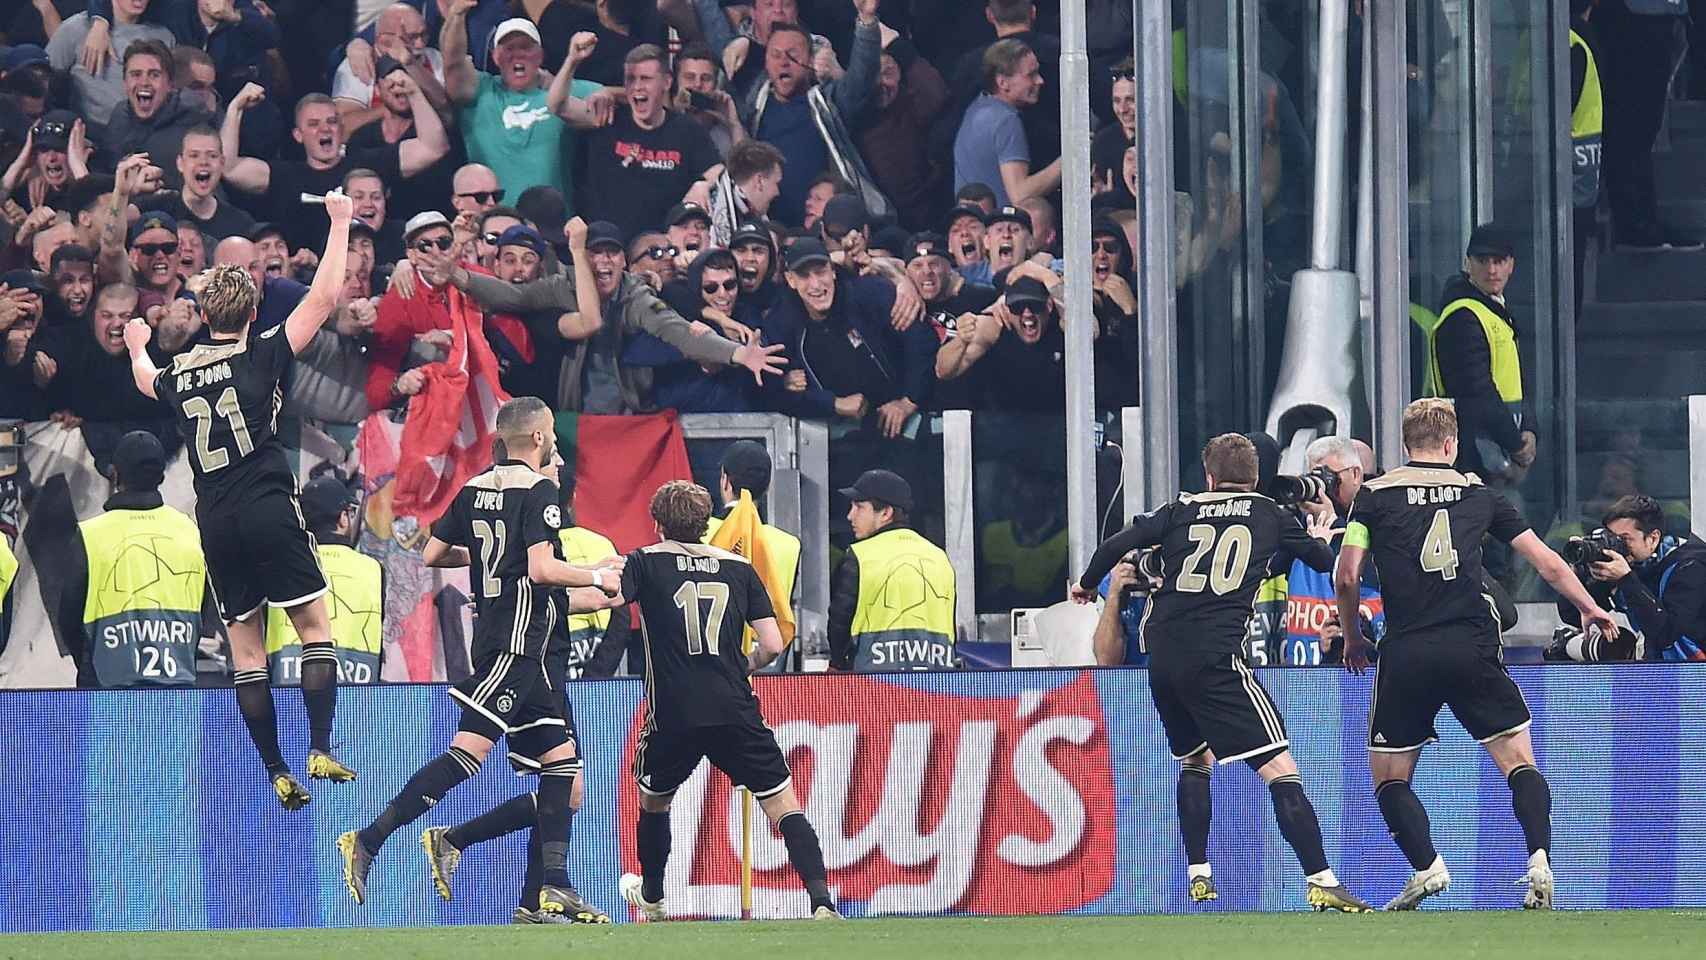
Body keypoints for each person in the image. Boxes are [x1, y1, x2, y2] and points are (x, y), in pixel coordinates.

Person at [338, 396, 620, 920]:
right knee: (466, 757)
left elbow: (431, 554)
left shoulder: (475, 488)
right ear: (537, 438)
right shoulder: (540, 490)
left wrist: (496, 553)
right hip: (515, 645)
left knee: (564, 770)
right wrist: (598, 576)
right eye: (552, 435)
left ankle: (549, 888)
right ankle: (371, 839)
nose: (555, 443)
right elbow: (541, 569)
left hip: (511, 643)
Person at [1334, 398, 1620, 911]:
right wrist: (1591, 607)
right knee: (1518, 762)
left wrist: (1354, 637)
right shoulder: (1479, 493)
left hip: (1407, 651)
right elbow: (1548, 563)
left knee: (1390, 778)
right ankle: (1539, 859)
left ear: (1406, 445)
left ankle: (1427, 867)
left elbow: (1348, 573)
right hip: (1472, 646)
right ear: (1451, 445)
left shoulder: (1373, 496)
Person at [122, 189, 358, 810]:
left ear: (202, 313)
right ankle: (320, 745)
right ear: (253, 313)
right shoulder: (262, 352)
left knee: (245, 648)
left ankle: (276, 767)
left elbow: (147, 378)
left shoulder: (180, 373)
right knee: (313, 630)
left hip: (216, 520)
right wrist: (339, 222)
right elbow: (326, 298)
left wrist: (136, 342)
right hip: (268, 505)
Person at [1073, 432, 1369, 912]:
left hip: (1163, 656)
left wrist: (1087, 586)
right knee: (1280, 769)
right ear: (1255, 479)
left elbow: (1116, 544)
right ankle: (1322, 879)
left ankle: (1199, 873)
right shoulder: (1270, 514)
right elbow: (1322, 561)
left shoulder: (1179, 510)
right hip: (1215, 658)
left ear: (1209, 477)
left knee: (1195, 760)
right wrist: (1318, 532)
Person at [609, 479, 839, 921]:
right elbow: (772, 643)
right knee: (783, 804)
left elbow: (612, 596)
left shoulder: (644, 562)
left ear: (657, 523)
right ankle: (822, 901)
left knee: (654, 800)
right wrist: (743, 664)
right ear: (703, 522)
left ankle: (653, 896)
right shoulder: (737, 566)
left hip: (674, 712)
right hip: (734, 705)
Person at [221, 82, 450, 255]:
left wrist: (413, 91)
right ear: (298, 135)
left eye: (331, 122)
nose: (325, 129)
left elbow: (433, 147)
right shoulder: (285, 175)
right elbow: (228, 167)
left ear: (341, 128)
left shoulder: (368, 164)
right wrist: (235, 108)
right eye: (313, 124)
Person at [58, 430, 206, 689]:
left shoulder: (90, 535)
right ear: (161, 476)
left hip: (105, 690)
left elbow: (68, 618)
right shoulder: (190, 531)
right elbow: (200, 608)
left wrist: (88, 666)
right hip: (178, 689)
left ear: (115, 473)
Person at [740, 10, 888, 225]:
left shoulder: (828, 103)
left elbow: (861, 79)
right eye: (775, 55)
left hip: (824, 230)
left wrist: (866, 22)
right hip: (768, 230)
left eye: (792, 55)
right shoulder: (752, 106)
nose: (783, 62)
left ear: (810, 60)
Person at [447, 14, 600, 213]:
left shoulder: (564, 89)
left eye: (526, 47)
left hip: (552, 226)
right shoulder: (480, 90)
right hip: (492, 225)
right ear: (495, 56)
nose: (517, 55)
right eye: (509, 48)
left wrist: (606, 94)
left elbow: (622, 92)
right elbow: (453, 62)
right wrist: (457, 15)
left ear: (540, 55)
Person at [1422, 224, 1536, 483]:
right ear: (1467, 263)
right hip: (1479, 456)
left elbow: (1515, 378)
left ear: (1511, 265)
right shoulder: (1463, 315)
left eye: (1499, 261)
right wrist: (1516, 446)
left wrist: (1529, 429)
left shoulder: (1493, 310)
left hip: (1498, 448)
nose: (1492, 269)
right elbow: (1477, 392)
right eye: (1482, 260)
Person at [573, 44, 722, 241]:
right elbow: (557, 106)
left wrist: (703, 184)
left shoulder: (687, 130)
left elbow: (719, 171)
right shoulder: (607, 117)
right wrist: (572, 61)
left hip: (662, 250)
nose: (637, 86)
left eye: (645, 79)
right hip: (608, 247)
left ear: (667, 81)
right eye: (630, 79)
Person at [828, 470, 955, 672]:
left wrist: (836, 663)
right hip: (935, 686)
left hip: (874, 686)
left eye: (859, 507)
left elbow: (839, 622)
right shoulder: (939, 557)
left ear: (886, 513)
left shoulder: (861, 555)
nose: (850, 515)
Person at [263, 474, 384, 686]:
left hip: (286, 695)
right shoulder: (373, 570)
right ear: (343, 518)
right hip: (357, 700)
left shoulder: (278, 566)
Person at [1569, 493, 1706, 661]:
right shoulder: (1629, 563)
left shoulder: (1690, 566)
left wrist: (1626, 579)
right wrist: (1578, 576)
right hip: (1660, 664)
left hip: (1695, 671)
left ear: (1653, 538)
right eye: (1612, 538)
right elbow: (1572, 616)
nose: (1618, 546)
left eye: (1625, 539)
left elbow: (1666, 635)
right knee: (1565, 646)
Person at [953, 38, 1061, 208]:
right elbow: (1020, 194)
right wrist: (1070, 158)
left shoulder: (977, 107)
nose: (1040, 81)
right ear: (1003, 83)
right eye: (1031, 75)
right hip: (999, 227)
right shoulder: (1006, 121)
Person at [933, 276, 1064, 413]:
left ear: (1048, 306)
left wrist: (1039, 271)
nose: (1027, 313)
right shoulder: (993, 327)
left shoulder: (1064, 326)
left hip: (1059, 424)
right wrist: (961, 340)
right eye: (1017, 307)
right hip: (1002, 425)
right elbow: (942, 371)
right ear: (1007, 310)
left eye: (1034, 305)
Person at [44, 4, 177, 128]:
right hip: (91, 134)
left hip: (148, 132)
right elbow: (46, 79)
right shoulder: (75, 29)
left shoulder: (163, 36)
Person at [96, 39, 213, 178]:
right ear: (124, 82)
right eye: (136, 74)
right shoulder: (120, 115)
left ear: (170, 84)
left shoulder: (192, 120)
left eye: (154, 75)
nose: (144, 82)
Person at [705, 440, 801, 609]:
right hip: (768, 634)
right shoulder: (789, 544)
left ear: (725, 481)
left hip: (710, 634)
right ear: (767, 487)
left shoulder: (697, 533)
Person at [135, 125, 255, 241]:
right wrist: (122, 192)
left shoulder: (241, 225)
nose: (203, 162)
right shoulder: (155, 208)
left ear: (222, 163)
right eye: (194, 155)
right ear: (180, 163)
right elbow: (117, 231)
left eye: (212, 156)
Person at [707, 139, 785, 248]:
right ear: (759, 181)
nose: (777, 192)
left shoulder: (752, 212)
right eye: (776, 183)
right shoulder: (708, 210)